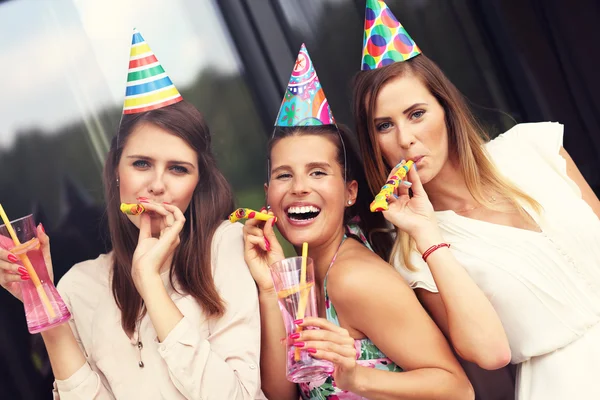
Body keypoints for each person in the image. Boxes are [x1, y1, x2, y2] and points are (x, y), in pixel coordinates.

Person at [352, 2, 600, 399]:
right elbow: (489, 354)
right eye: (385, 125)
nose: (404, 138)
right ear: (374, 143)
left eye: (416, 113)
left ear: (446, 110)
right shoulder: (413, 256)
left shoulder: (533, 147)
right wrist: (427, 233)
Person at [0, 29, 264, 400]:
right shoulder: (79, 284)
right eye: (141, 163)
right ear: (116, 172)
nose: (157, 185)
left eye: (178, 169)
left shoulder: (225, 246)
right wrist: (44, 304)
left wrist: (149, 281)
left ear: (197, 182)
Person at [244, 43, 473, 400]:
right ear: (268, 195)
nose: (300, 188)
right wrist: (270, 289)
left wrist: (357, 379)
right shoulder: (305, 273)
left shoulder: (355, 278)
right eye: (284, 176)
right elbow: (281, 394)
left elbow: (456, 389)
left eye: (318, 172)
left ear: (350, 192)